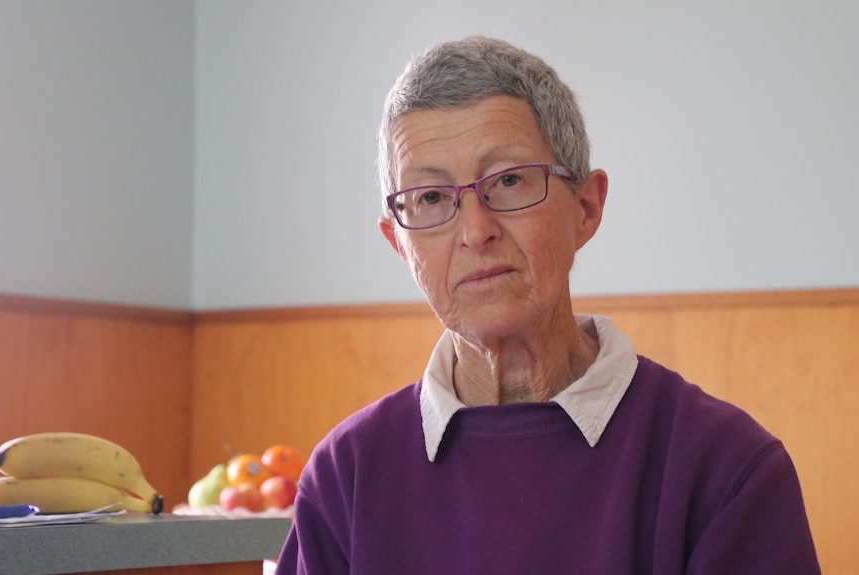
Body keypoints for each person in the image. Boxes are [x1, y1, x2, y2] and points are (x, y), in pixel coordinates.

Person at [275, 36, 820, 574]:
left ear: (585, 207)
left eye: (508, 181)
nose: (475, 231)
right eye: (432, 198)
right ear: (399, 244)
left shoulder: (724, 469)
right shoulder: (344, 478)